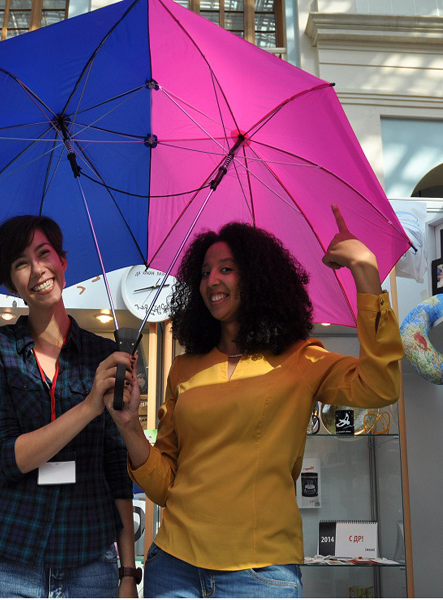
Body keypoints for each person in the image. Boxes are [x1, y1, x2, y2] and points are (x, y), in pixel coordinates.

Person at [106, 205, 403, 598]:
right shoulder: (184, 369)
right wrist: (129, 425)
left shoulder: (300, 360)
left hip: (260, 574)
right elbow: (165, 486)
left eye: (226, 269)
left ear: (257, 278)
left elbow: (380, 387)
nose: (212, 280)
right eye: (204, 272)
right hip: (175, 568)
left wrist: (365, 271)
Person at [0, 215, 139, 598]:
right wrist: (89, 406)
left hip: (89, 561)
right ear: (11, 282)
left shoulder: (103, 354)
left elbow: (116, 468)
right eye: (21, 263)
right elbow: (8, 458)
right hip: (7, 558)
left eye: (44, 254)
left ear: (63, 260)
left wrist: (128, 572)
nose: (38, 269)